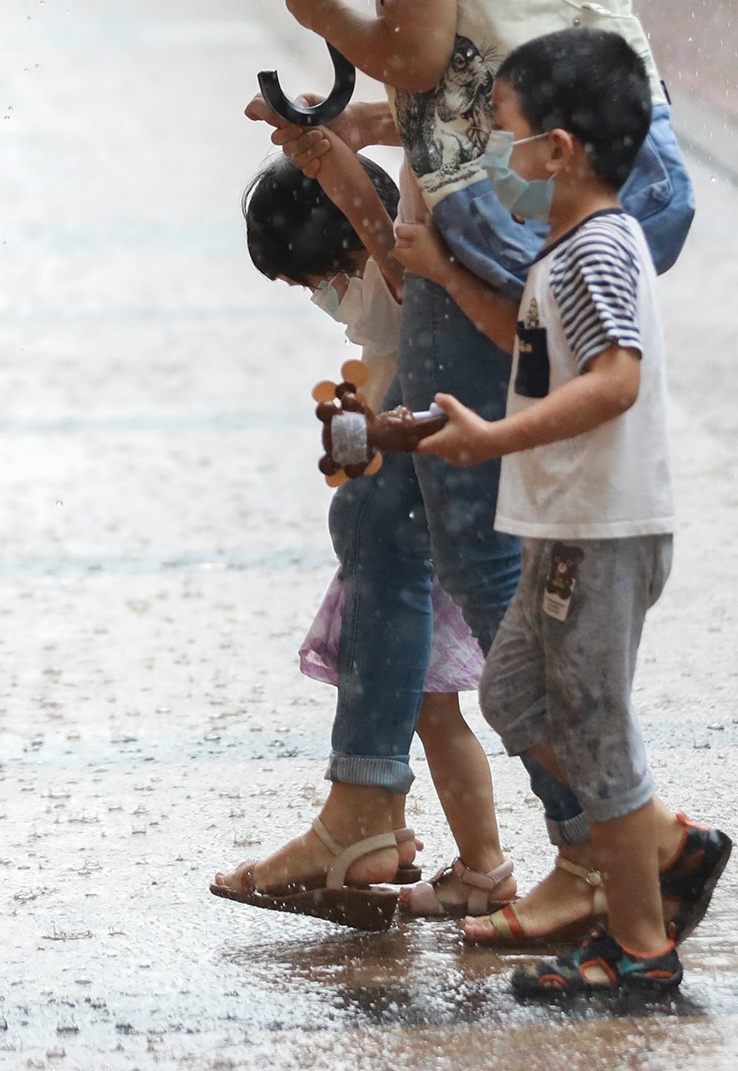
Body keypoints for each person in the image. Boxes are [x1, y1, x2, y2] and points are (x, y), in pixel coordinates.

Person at [215, 0, 687, 932]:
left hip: (484, 239)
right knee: (395, 515)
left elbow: (423, 48)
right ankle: (384, 810)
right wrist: (362, 125)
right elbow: (478, 69)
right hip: (524, 203)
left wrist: (327, 9)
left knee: (472, 534)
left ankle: (613, 837)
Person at [410, 29, 733, 1007]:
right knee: (517, 696)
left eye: (502, 129)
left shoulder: (596, 249)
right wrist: (449, 275)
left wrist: (496, 442)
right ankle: (666, 844)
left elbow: (613, 382)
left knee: (596, 735)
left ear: (560, 149)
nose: (493, 152)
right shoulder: (571, 247)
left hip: (599, 531)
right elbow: (534, 342)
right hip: (567, 526)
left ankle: (639, 943)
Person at [217, 137, 518, 921]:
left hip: (422, 545)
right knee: (430, 708)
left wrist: (332, 160)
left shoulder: (408, 289)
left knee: (443, 703)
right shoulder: (392, 333)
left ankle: (415, 839)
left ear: (360, 245)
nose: (328, 299)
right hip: (410, 532)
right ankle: (455, 859)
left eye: (329, 280)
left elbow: (379, 238)